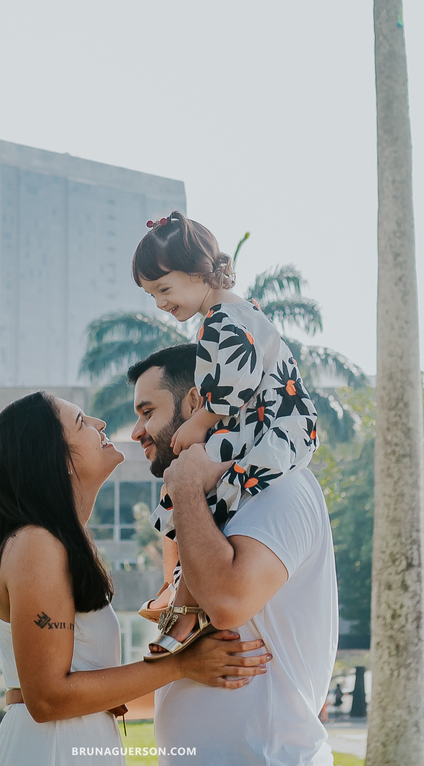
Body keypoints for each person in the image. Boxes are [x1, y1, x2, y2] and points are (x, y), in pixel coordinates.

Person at [0, 391, 271, 765]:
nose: (99, 424)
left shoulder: (62, 543)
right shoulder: (38, 544)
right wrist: (182, 664)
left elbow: (88, 688)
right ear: (55, 459)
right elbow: (47, 698)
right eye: (81, 422)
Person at [128, 345, 338, 764]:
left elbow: (226, 604)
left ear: (196, 403)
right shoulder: (206, 507)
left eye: (147, 411)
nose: (137, 431)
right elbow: (179, 644)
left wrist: (185, 489)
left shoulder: (280, 485)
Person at [131, 212, 321, 658]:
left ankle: (181, 604)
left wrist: (199, 422)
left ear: (199, 274)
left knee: (191, 492)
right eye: (151, 294)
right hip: (269, 426)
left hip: (266, 429)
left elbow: (235, 379)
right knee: (192, 490)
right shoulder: (236, 311)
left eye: (164, 289)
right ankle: (179, 599)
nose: (160, 303)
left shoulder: (222, 319)